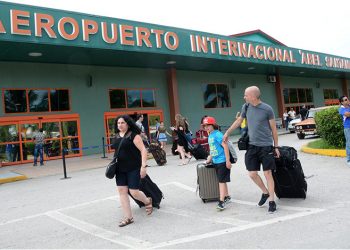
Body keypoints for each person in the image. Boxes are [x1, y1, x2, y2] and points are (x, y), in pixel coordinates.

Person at [223, 86, 280, 214]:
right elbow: (239, 121)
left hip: (266, 146)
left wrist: (276, 146)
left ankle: (271, 201)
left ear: (253, 96)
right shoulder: (246, 107)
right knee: (252, 174)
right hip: (252, 146)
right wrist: (227, 132)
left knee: (268, 174)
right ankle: (265, 192)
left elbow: (274, 130)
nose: (244, 97)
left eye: (246, 95)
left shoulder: (267, 109)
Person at [113, 114, 153, 227]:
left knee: (134, 192)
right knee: (122, 192)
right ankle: (128, 217)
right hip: (119, 169)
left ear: (128, 124)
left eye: (122, 123)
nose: (120, 125)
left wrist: (143, 166)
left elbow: (143, 151)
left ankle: (147, 201)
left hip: (133, 168)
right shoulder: (116, 136)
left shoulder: (134, 136)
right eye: (118, 123)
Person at [203, 116, 232, 211]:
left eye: (208, 125)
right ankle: (227, 196)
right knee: (222, 180)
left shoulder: (218, 134)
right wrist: (209, 159)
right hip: (215, 161)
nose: (206, 127)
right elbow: (212, 149)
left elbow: (225, 146)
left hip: (222, 161)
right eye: (205, 126)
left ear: (213, 125)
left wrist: (227, 161)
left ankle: (221, 201)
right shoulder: (210, 135)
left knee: (221, 181)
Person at [338, 96, 350, 166]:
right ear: (342, 102)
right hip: (348, 128)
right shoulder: (341, 109)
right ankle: (349, 160)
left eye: (347, 99)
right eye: (345, 100)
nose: (347, 100)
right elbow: (348, 114)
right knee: (349, 144)